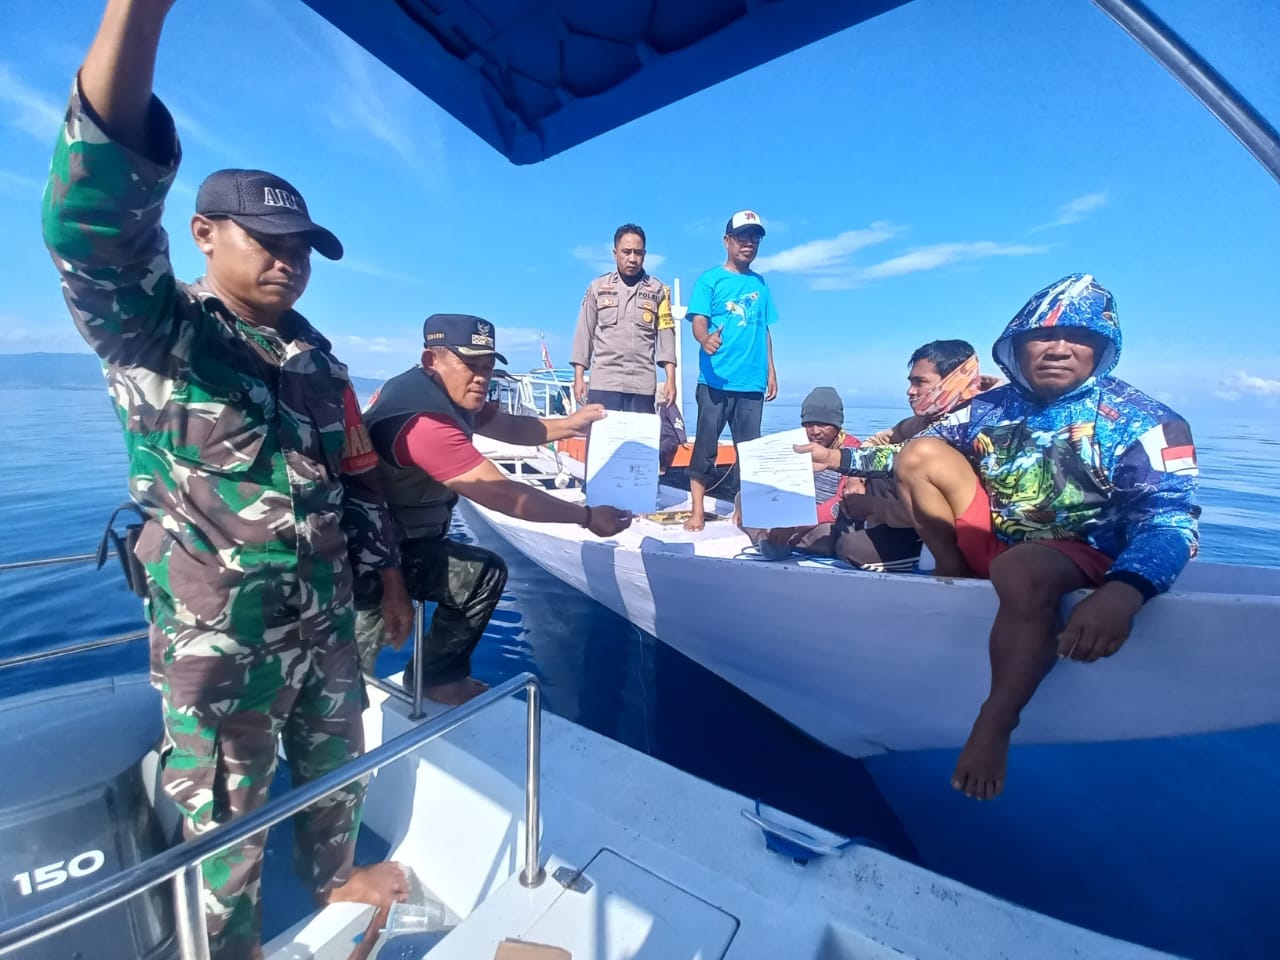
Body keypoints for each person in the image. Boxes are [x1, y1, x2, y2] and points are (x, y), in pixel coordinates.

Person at [41, 2, 414, 955]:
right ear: (204, 233)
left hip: (328, 619)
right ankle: (231, 945)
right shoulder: (158, 330)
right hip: (220, 639)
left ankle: (334, 874)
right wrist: (138, 15)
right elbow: (93, 224)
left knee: (338, 760)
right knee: (224, 807)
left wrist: (388, 580)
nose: (290, 262)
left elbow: (355, 479)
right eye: (268, 242)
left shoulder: (319, 359)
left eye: (301, 249)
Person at [798, 275, 1200, 800]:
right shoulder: (991, 407)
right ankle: (953, 573)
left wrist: (1127, 591)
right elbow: (903, 453)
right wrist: (836, 457)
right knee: (921, 453)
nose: (1058, 348)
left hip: (1085, 554)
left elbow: (1171, 521)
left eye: (1078, 336)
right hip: (997, 542)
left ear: (1103, 347)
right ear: (1016, 346)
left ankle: (996, 720)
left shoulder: (1147, 422)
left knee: (1023, 567)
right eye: (1042, 336)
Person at [355, 314, 634, 702]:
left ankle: (436, 679)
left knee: (480, 573)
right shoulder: (424, 423)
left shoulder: (440, 391)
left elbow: (509, 426)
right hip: (367, 558)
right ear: (431, 360)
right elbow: (504, 494)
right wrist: (587, 518)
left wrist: (570, 425)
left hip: (393, 540)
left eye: (487, 366)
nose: (481, 377)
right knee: (346, 677)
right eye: (470, 365)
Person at [838, 340, 993, 572]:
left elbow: (948, 511)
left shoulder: (978, 429)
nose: (910, 391)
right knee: (875, 474)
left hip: (949, 534)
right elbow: (877, 442)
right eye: (911, 382)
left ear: (952, 381)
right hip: (905, 522)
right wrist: (854, 477)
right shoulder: (925, 421)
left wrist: (875, 507)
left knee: (849, 548)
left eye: (920, 382)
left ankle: (932, 562)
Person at [684, 210, 779, 531]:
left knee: (750, 452)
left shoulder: (761, 284)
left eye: (755, 238)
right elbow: (698, 320)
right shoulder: (710, 280)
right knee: (705, 446)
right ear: (727, 241)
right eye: (742, 237)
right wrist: (704, 339)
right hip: (715, 381)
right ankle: (697, 509)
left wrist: (771, 370)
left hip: (752, 383)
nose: (749, 243)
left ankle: (743, 509)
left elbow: (764, 328)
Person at [741, 387, 862, 558]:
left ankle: (776, 541)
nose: (815, 431)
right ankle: (767, 539)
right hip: (794, 512)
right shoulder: (797, 444)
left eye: (823, 425)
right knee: (745, 499)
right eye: (809, 424)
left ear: (837, 425)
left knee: (830, 536)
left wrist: (794, 524)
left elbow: (839, 505)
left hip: (824, 519)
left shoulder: (853, 450)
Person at [571, 224, 676, 412]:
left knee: (640, 432)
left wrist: (671, 379)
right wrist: (578, 376)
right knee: (601, 432)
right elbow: (583, 333)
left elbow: (666, 337)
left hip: (642, 385)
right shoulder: (598, 287)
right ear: (615, 253)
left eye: (638, 253)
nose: (632, 259)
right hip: (604, 382)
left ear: (644, 254)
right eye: (626, 252)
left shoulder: (658, 290)